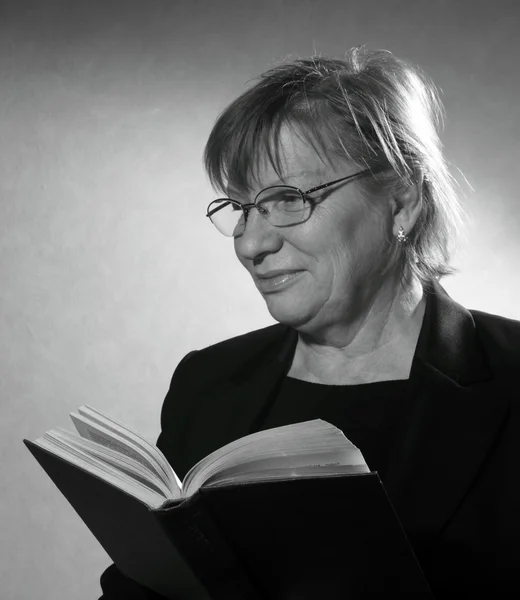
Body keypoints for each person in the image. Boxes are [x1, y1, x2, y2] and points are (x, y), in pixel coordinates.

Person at [99, 47, 520, 599]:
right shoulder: (208, 383)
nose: (251, 244)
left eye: (287, 198)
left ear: (403, 201)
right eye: (241, 207)